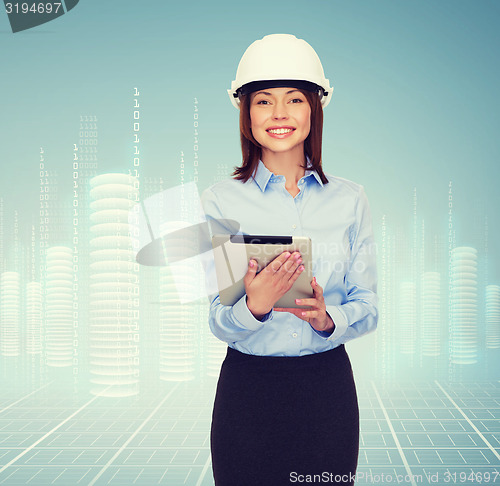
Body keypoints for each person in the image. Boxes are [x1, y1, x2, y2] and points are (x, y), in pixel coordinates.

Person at [201, 34, 378, 486]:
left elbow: (368, 305)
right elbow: (218, 320)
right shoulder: (221, 201)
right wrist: (254, 305)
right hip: (247, 392)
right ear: (246, 112)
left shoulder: (350, 200)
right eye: (263, 101)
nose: (279, 115)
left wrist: (327, 318)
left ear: (315, 108)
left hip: (327, 393)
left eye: (294, 99)